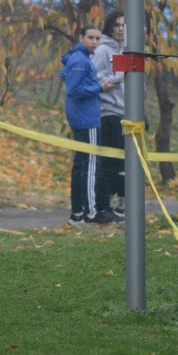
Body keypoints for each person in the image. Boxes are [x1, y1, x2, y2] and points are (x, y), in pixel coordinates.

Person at [60, 25, 118, 225]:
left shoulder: (77, 58)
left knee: (81, 166)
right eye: (91, 38)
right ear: (81, 37)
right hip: (88, 120)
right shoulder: (80, 60)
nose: (94, 42)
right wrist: (100, 87)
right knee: (91, 167)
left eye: (97, 38)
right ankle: (91, 213)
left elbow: (64, 76)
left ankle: (77, 213)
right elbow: (74, 90)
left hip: (82, 118)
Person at [91, 10, 125, 217]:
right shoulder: (103, 50)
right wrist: (118, 77)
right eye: (117, 25)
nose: (121, 29)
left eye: (124, 25)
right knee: (111, 162)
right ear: (110, 27)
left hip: (127, 113)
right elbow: (98, 78)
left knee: (125, 163)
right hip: (109, 112)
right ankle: (105, 204)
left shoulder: (128, 50)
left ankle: (122, 201)